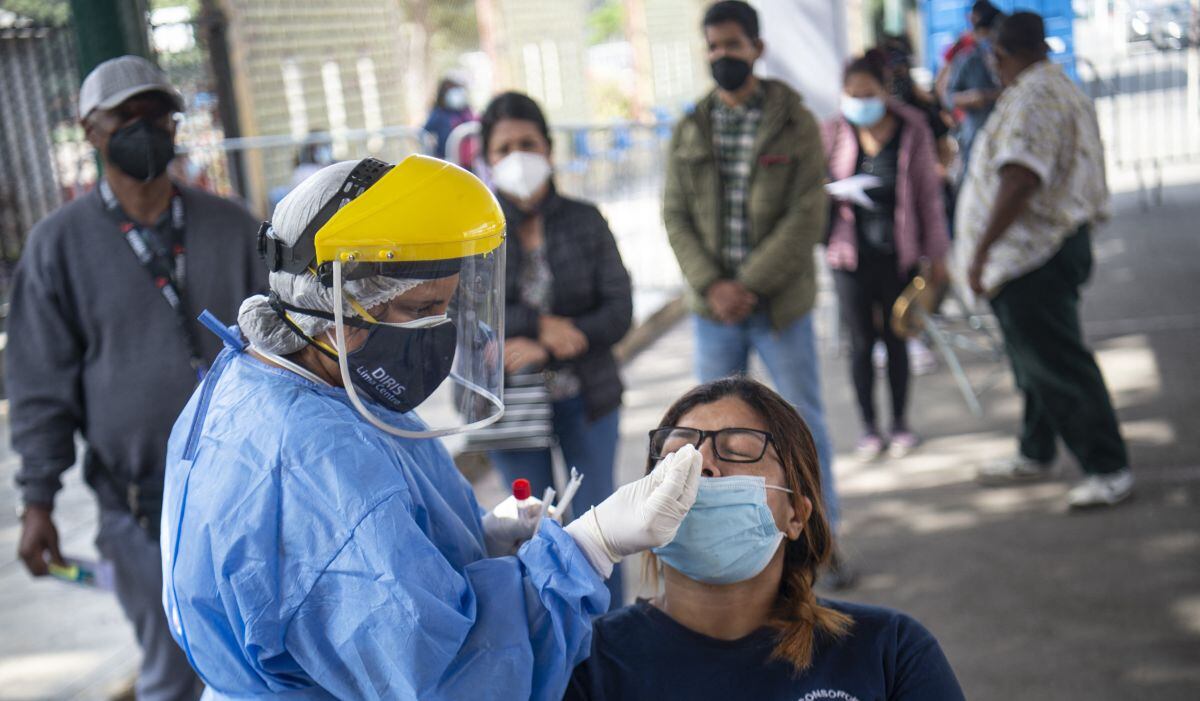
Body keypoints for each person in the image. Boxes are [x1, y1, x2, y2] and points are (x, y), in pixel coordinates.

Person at [159, 155, 703, 699]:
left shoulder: (276, 375)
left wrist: (473, 539)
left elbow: (341, 575)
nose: (438, 329)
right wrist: (587, 550)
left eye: (447, 306)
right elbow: (453, 674)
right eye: (422, 308)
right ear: (341, 304)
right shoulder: (319, 457)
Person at [7, 55, 266, 701]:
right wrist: (38, 498)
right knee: (175, 673)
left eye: (158, 114)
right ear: (91, 129)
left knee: (269, 661)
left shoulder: (233, 225)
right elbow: (42, 382)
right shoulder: (57, 245)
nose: (146, 128)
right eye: (127, 116)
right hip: (142, 507)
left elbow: (288, 342)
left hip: (249, 491)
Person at [565, 377, 965, 700]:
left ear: (796, 516)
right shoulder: (585, 665)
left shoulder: (890, 651)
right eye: (675, 455)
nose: (699, 466)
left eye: (738, 452)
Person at [663, 0, 842, 559]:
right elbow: (675, 215)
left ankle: (815, 547)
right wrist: (715, 286)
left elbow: (807, 213)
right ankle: (721, 548)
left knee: (801, 425)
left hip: (780, 303)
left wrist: (751, 285)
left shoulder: (795, 121)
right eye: (714, 47)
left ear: (757, 49)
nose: (722, 57)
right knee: (705, 437)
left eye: (733, 46)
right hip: (713, 309)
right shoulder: (692, 125)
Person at [955, 12, 1132, 508]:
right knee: (1032, 360)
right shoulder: (1051, 85)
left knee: (1057, 362)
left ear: (1001, 55)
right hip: (1042, 251)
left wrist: (981, 251)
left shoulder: (1035, 95)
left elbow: (1019, 179)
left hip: (1033, 256)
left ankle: (1108, 466)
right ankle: (1036, 449)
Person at [478, 91, 634, 607]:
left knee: (598, 529)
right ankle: (550, 644)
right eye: (504, 149)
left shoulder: (585, 220)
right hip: (512, 408)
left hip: (587, 396)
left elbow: (619, 307)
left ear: (548, 148)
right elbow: (468, 311)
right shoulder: (475, 234)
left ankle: (609, 639)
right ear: (487, 157)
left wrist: (556, 343)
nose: (517, 156)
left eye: (528, 143)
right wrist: (537, 325)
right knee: (530, 530)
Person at [822, 52, 951, 460]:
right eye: (852, 94)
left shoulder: (912, 129)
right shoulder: (832, 132)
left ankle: (899, 423)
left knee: (898, 338)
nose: (861, 101)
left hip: (899, 254)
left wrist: (938, 254)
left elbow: (929, 198)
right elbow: (811, 185)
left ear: (884, 91)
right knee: (861, 344)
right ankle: (869, 427)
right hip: (848, 255)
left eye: (868, 93)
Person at [946, 1, 1004, 176]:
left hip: (1007, 139)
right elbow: (949, 96)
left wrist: (993, 95)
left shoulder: (1012, 61)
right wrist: (970, 98)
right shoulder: (967, 59)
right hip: (975, 139)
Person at [423, 77, 475, 160]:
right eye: (452, 89)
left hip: (469, 161)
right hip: (447, 158)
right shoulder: (439, 113)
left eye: (458, 88)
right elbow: (425, 131)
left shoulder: (466, 111)